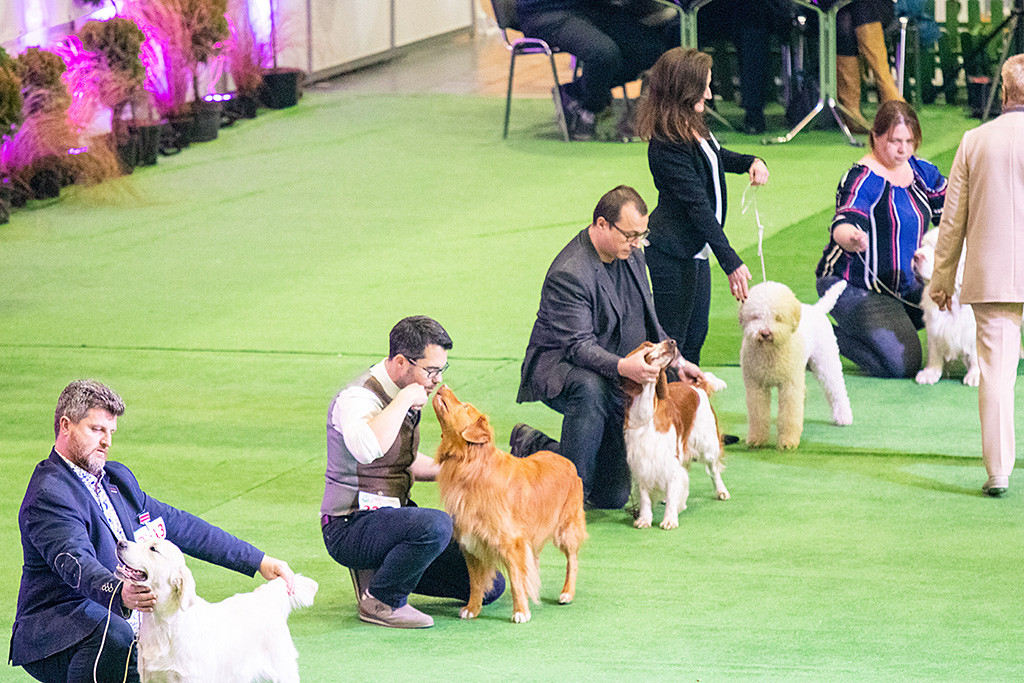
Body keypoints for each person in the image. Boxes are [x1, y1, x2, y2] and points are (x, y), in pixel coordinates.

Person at [11, 379, 295, 683]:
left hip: (123, 619)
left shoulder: (116, 479)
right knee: (116, 635)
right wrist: (119, 592)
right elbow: (77, 563)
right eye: (97, 430)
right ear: (65, 426)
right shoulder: (49, 493)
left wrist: (259, 561)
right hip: (63, 629)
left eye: (111, 432)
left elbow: (178, 524)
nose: (106, 441)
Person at [514, 185, 704, 509]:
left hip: (615, 369)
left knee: (613, 497)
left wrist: (677, 361)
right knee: (591, 390)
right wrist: (623, 367)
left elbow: (649, 317)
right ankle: (568, 495)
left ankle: (535, 445)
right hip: (562, 368)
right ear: (601, 224)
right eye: (629, 235)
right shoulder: (569, 273)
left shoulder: (631, 254)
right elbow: (577, 346)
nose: (636, 243)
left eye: (641, 235)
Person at [320, 316, 505, 629]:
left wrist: (465, 469)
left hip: (392, 519)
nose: (436, 381)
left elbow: (401, 461)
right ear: (402, 362)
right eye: (430, 371)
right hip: (349, 526)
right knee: (435, 524)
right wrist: (405, 398)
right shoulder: (356, 398)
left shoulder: (408, 390)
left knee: (488, 584)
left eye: (441, 370)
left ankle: (381, 573)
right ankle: (382, 600)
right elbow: (367, 448)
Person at [635, 47, 769, 365]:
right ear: (683, 89)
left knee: (695, 336)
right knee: (670, 344)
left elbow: (714, 157)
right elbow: (697, 207)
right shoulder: (667, 143)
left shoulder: (691, 124)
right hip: (672, 251)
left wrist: (749, 161)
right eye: (704, 87)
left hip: (694, 248)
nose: (709, 94)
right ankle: (659, 410)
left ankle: (685, 409)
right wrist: (731, 262)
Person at [930, 54, 1024, 497]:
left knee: (996, 375)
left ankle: (998, 471)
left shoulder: (973, 140)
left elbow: (952, 220)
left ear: (1003, 91)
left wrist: (942, 278)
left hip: (993, 277)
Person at [815, 100, 946, 378]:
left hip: (907, 287)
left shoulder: (923, 172)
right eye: (895, 141)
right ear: (875, 136)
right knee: (902, 364)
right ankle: (816, 340)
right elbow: (844, 220)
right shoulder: (862, 178)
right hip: (854, 285)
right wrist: (850, 237)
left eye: (910, 141)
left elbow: (954, 215)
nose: (903, 149)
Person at [515, 0, 673, 140]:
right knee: (602, 54)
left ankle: (575, 93)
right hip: (547, 11)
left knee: (652, 50)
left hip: (591, 8)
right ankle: (592, 110)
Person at [836, 0, 904, 132]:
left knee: (861, 7)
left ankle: (851, 109)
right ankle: (890, 96)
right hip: (831, 8)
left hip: (875, 7)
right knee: (844, 21)